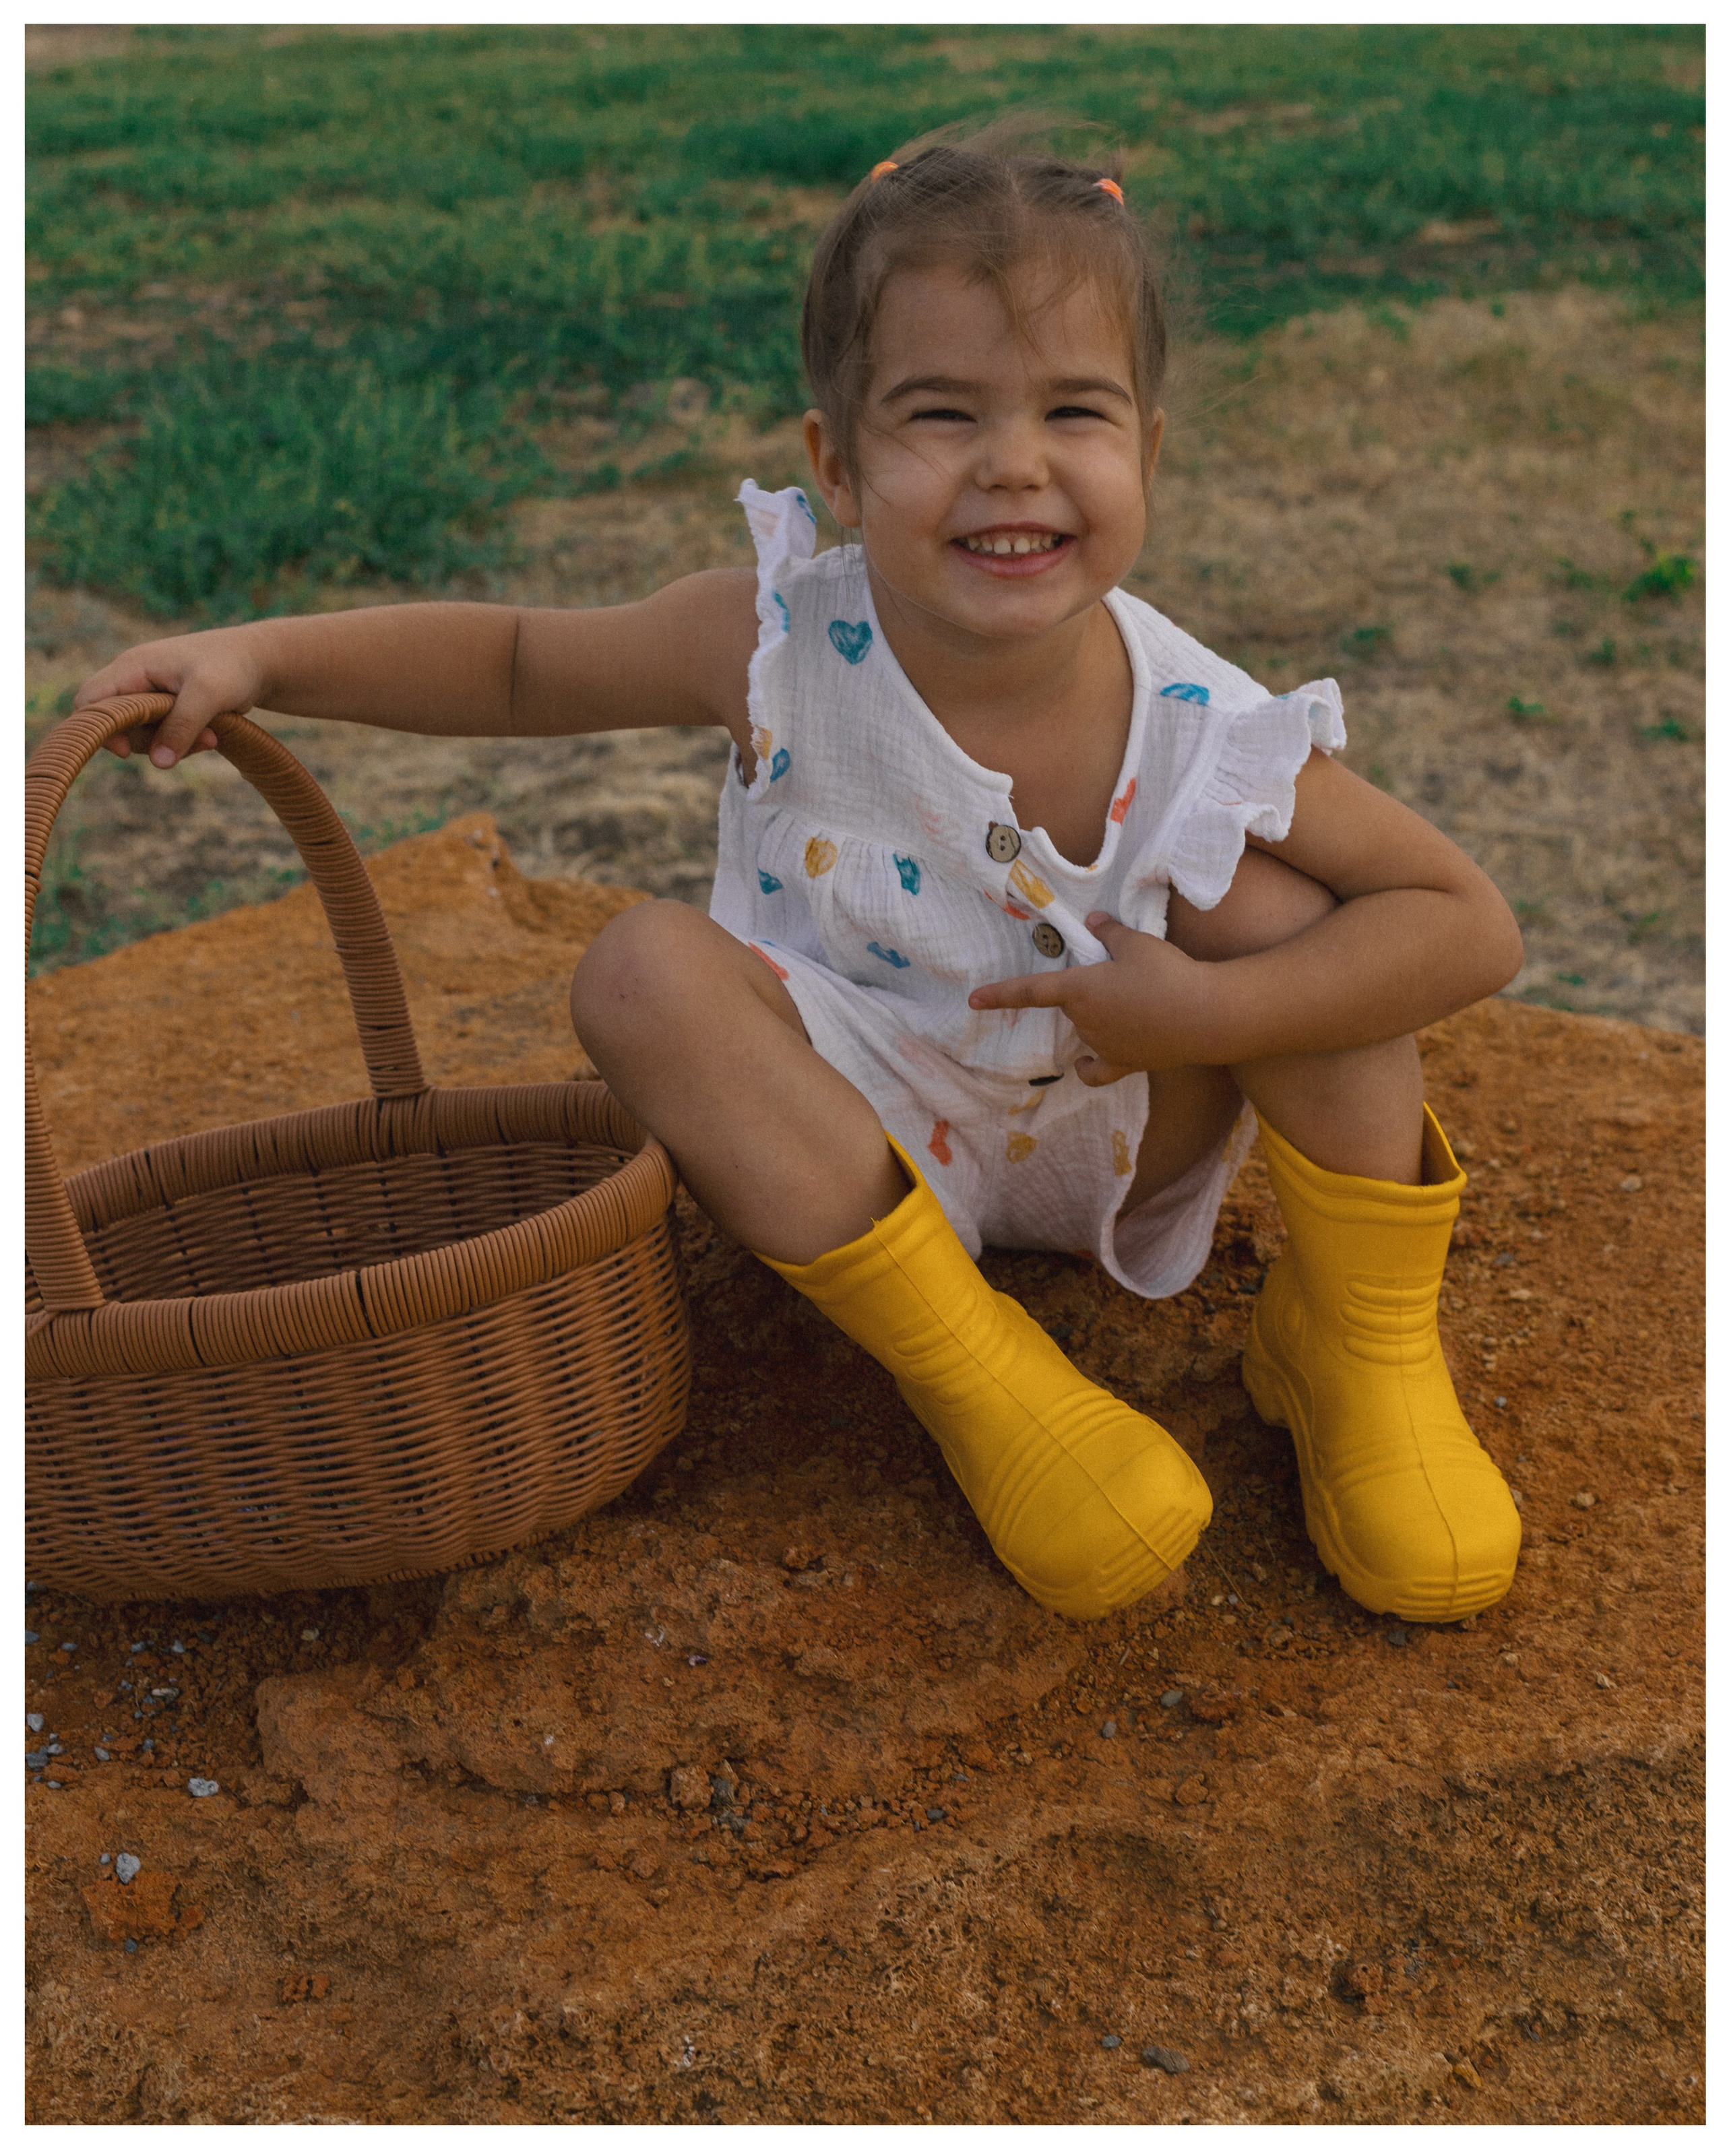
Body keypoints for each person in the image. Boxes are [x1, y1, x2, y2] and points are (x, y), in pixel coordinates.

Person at [76, 129, 1526, 1628]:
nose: (1011, 463)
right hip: (860, 1136)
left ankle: (1357, 1351)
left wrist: (1203, 1019)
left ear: (1146, 452)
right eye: (939, 413)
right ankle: (983, 1378)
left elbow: (1463, 924)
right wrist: (257, 658)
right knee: (642, 971)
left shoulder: (1203, 725)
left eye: (1071, 413)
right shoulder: (773, 638)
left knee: (1274, 904)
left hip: (1126, 1110)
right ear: (835, 465)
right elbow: (516, 658)